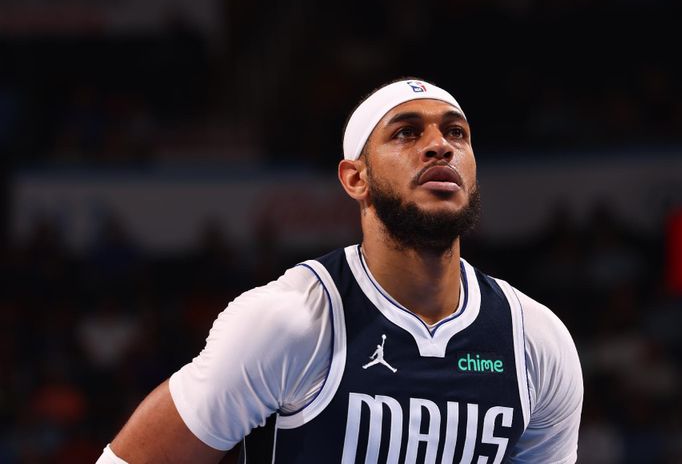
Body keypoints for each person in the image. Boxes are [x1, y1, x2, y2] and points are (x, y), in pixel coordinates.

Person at [96, 78, 583, 463]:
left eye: (456, 132)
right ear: (356, 179)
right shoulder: (288, 322)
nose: (439, 146)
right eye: (406, 132)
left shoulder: (536, 342)